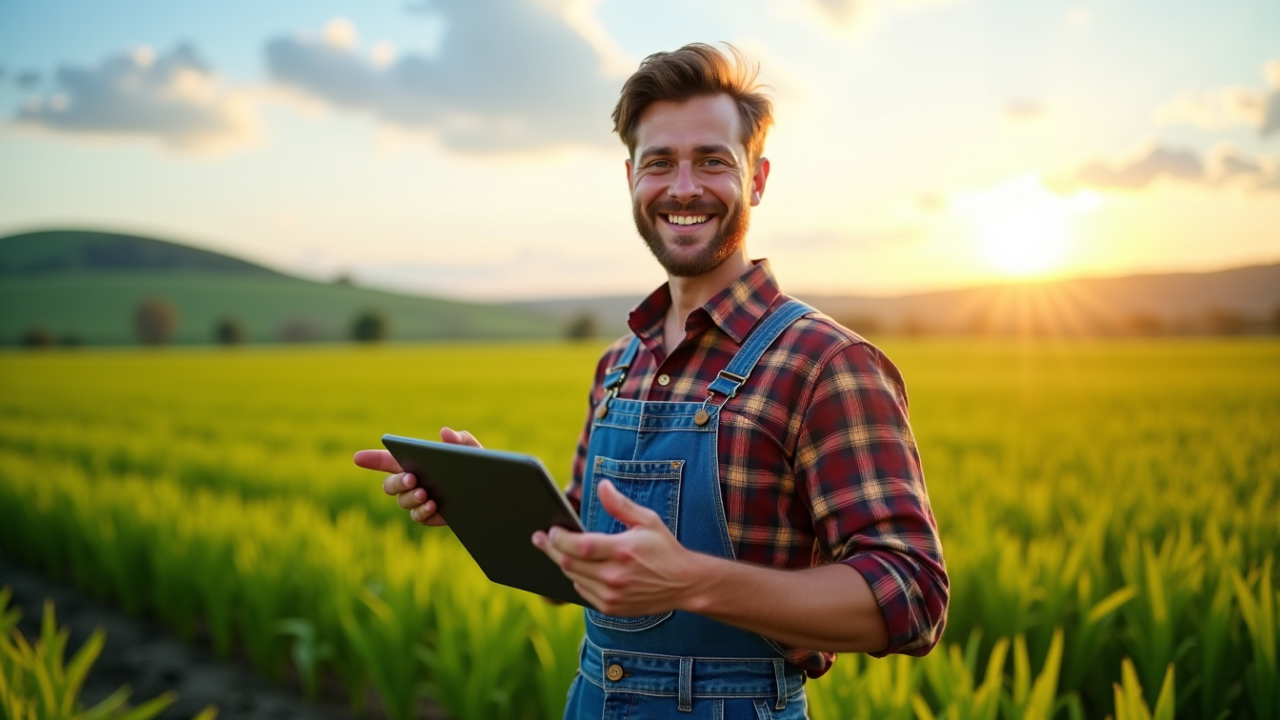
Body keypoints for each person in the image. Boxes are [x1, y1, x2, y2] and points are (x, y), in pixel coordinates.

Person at [354, 42, 948, 719]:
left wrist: (694, 582)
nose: (683, 187)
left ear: (757, 179)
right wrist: (480, 503)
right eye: (660, 162)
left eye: (713, 161)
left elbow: (914, 596)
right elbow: (583, 570)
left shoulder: (825, 363)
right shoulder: (618, 364)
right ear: (632, 177)